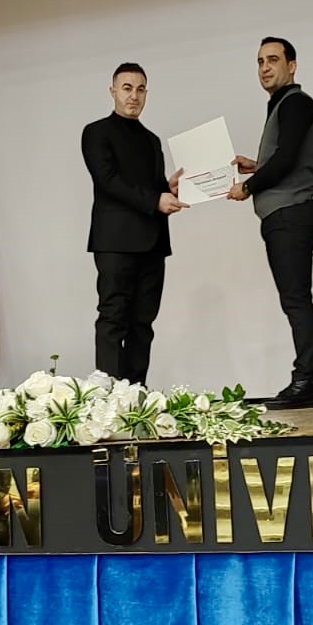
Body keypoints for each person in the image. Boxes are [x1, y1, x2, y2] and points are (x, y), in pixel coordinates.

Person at [228, 37, 313, 409]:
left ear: (292, 65)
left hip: (289, 214)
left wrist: (249, 186)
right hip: (286, 214)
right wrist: (258, 166)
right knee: (295, 299)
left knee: (296, 300)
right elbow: (287, 157)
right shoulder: (283, 105)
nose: (265, 67)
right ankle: (311, 381)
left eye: (273, 59)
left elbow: (286, 160)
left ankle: (307, 381)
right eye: (260, 62)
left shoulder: (296, 102)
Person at [82, 63, 187, 385]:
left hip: (153, 242)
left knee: (143, 323)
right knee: (113, 317)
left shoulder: (151, 140)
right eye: (127, 88)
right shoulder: (96, 132)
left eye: (140, 89)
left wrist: (168, 189)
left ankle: (136, 392)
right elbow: (108, 180)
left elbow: (150, 188)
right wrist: (155, 199)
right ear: (112, 91)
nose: (134, 96)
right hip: (115, 242)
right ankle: (110, 397)